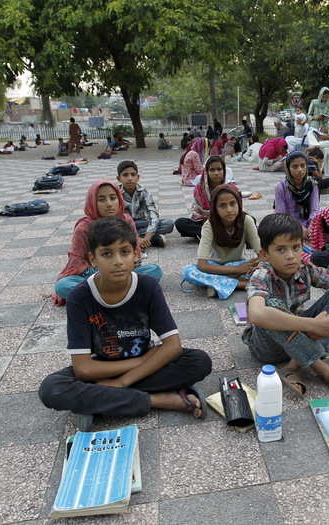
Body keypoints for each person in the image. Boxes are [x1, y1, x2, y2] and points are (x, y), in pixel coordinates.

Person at [39, 216, 212, 430]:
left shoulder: (147, 287)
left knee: (199, 361)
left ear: (136, 254)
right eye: (107, 254)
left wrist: (123, 382)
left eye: (125, 252)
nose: (118, 261)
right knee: (52, 389)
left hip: (138, 368)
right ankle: (158, 400)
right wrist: (141, 363)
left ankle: (102, 401)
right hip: (103, 368)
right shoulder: (80, 297)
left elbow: (172, 345)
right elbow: (83, 368)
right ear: (92, 259)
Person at [242, 213, 329, 397]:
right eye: (281, 250)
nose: (291, 256)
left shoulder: (306, 269)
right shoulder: (261, 275)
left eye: (296, 247)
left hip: (301, 334)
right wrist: (313, 325)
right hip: (267, 347)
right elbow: (257, 315)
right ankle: (325, 371)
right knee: (272, 307)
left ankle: (292, 366)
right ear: (264, 255)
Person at [52, 180, 163, 305]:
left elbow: (135, 251)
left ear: (119, 199)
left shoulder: (126, 220)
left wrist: (131, 263)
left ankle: (100, 296)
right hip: (93, 274)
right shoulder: (84, 228)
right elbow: (76, 261)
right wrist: (101, 272)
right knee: (63, 286)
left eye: (113, 198)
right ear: (92, 202)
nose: (109, 204)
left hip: (122, 271)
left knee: (154, 270)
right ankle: (122, 293)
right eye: (101, 199)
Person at [182, 184, 261, 299]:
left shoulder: (246, 220)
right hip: (216, 267)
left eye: (232, 203)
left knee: (265, 267)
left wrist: (252, 264)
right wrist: (236, 270)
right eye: (222, 206)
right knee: (188, 271)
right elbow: (202, 264)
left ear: (239, 203)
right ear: (215, 208)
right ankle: (240, 284)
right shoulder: (209, 226)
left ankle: (216, 284)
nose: (229, 210)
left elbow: (261, 253)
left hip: (239, 263)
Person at [117, 160, 174, 249]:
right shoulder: (115, 194)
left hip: (141, 224)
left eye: (133, 174)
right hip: (124, 226)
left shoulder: (144, 192)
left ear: (138, 177)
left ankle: (140, 240)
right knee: (112, 230)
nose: (130, 178)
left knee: (168, 224)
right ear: (118, 178)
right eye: (125, 175)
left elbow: (153, 215)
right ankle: (148, 240)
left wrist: (148, 236)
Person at [175, 155, 235, 240]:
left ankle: (208, 236)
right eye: (212, 170)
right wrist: (208, 218)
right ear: (206, 172)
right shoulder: (199, 189)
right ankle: (216, 235)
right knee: (180, 223)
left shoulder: (231, 188)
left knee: (249, 220)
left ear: (224, 171)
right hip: (205, 222)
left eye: (219, 169)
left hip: (226, 222)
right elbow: (197, 212)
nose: (216, 173)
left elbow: (236, 211)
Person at [274, 152, 320, 232]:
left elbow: (315, 210)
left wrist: (311, 226)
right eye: (295, 166)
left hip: (309, 224)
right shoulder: (281, 187)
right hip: (288, 224)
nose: (300, 170)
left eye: (303, 166)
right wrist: (300, 229)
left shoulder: (312, 184)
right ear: (288, 168)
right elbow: (281, 214)